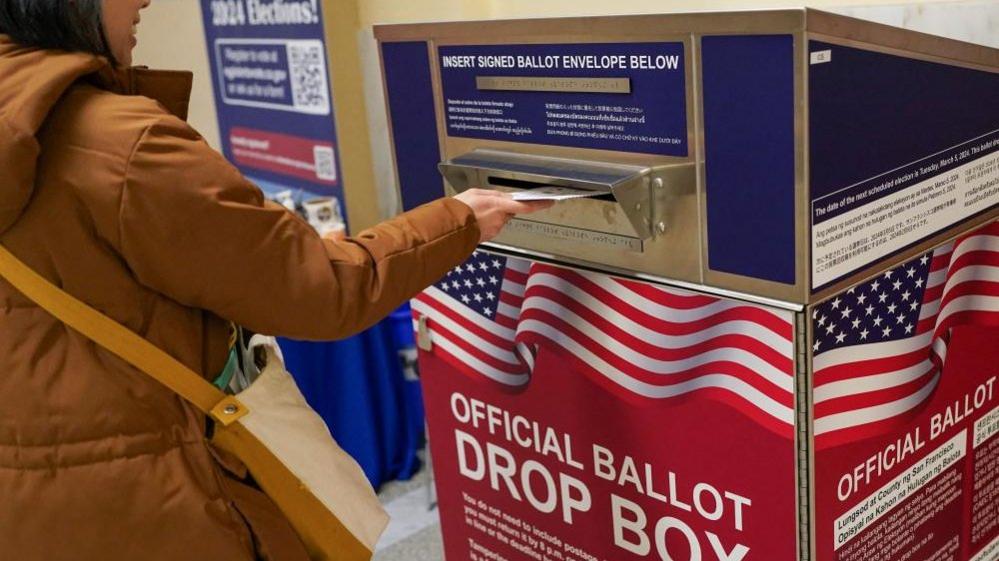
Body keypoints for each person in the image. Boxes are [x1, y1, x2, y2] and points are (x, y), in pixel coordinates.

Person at [0, 1, 551, 559]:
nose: (145, 1)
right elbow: (321, 293)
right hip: (170, 502)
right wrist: (460, 219)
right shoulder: (119, 143)